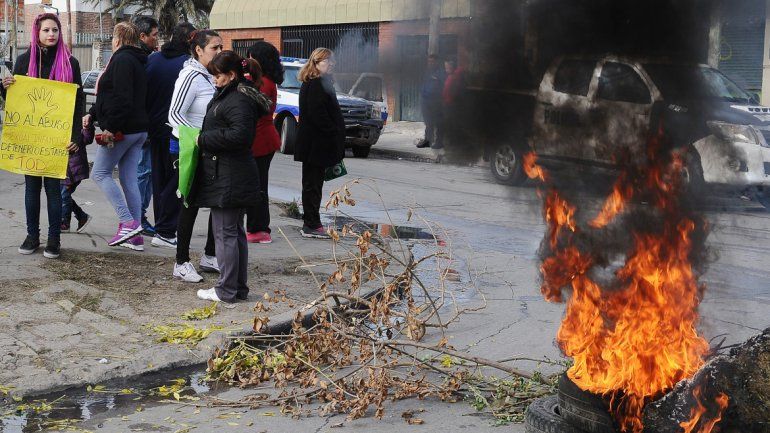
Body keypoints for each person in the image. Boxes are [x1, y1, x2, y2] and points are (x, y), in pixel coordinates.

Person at [1, 13, 84, 259]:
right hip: (31, 140)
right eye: (46, 30)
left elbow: (78, 103)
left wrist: (76, 137)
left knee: (54, 191)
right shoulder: (24, 61)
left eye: (55, 30)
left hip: (57, 140)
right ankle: (32, 236)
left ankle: (54, 240)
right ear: (37, 32)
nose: (51, 34)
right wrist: (4, 88)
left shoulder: (71, 63)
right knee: (31, 190)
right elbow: (15, 103)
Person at [193, 51, 269, 303]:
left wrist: (202, 139)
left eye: (218, 75)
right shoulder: (235, 94)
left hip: (230, 176)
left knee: (226, 234)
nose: (214, 80)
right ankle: (237, 288)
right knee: (234, 233)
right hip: (230, 174)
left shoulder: (237, 99)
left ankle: (226, 289)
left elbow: (240, 136)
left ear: (232, 75)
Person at [84, 22, 149, 250]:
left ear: (118, 38)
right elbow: (111, 95)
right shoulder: (139, 59)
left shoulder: (121, 59)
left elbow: (121, 98)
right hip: (139, 129)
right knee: (129, 179)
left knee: (100, 174)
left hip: (123, 129)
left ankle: (127, 222)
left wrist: (110, 127)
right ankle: (136, 236)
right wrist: (92, 114)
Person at [167, 29, 223, 283]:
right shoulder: (190, 75)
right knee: (189, 205)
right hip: (188, 149)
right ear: (199, 50)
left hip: (211, 149)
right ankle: (181, 262)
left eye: (221, 47)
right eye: (215, 48)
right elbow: (174, 114)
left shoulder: (212, 76)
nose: (220, 52)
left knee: (215, 201)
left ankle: (210, 255)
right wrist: (197, 138)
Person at [145, 21, 196, 249]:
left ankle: (162, 227)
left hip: (154, 129)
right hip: (176, 130)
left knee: (159, 179)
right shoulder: (187, 65)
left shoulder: (153, 59)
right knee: (176, 181)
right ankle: (166, 230)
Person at [294, 47, 345, 239]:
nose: (331, 64)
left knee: (314, 184)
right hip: (315, 144)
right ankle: (311, 224)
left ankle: (312, 221)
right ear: (316, 63)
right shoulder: (315, 84)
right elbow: (318, 115)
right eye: (327, 61)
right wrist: (333, 131)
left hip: (316, 144)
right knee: (312, 185)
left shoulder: (320, 82)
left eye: (332, 61)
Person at [245, 41, 283, 244]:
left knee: (257, 185)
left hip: (260, 140)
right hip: (263, 138)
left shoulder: (263, 83)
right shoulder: (263, 80)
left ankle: (258, 228)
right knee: (258, 184)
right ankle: (258, 227)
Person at [132, 15, 159, 235]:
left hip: (145, 126)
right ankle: (137, 218)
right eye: (154, 35)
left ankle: (137, 216)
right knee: (143, 172)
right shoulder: (141, 60)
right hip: (143, 127)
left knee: (144, 172)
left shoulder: (146, 57)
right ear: (142, 36)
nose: (157, 39)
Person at [416, 54, 445, 150]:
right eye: (429, 61)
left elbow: (442, 85)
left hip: (436, 101)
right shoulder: (427, 72)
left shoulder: (440, 72)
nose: (430, 63)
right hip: (426, 100)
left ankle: (439, 142)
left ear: (436, 62)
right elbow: (424, 84)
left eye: (432, 61)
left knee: (438, 122)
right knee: (428, 122)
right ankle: (428, 140)